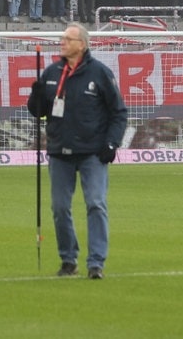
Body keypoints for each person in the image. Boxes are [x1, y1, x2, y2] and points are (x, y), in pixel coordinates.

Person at [27, 23, 127, 280]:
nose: (62, 42)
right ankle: (68, 259)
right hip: (60, 151)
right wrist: (35, 97)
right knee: (59, 208)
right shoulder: (51, 72)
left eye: (68, 39)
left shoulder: (99, 73)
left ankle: (96, 262)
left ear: (82, 44)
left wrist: (112, 143)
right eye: (62, 38)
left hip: (92, 152)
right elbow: (39, 111)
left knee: (95, 203)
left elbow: (118, 112)